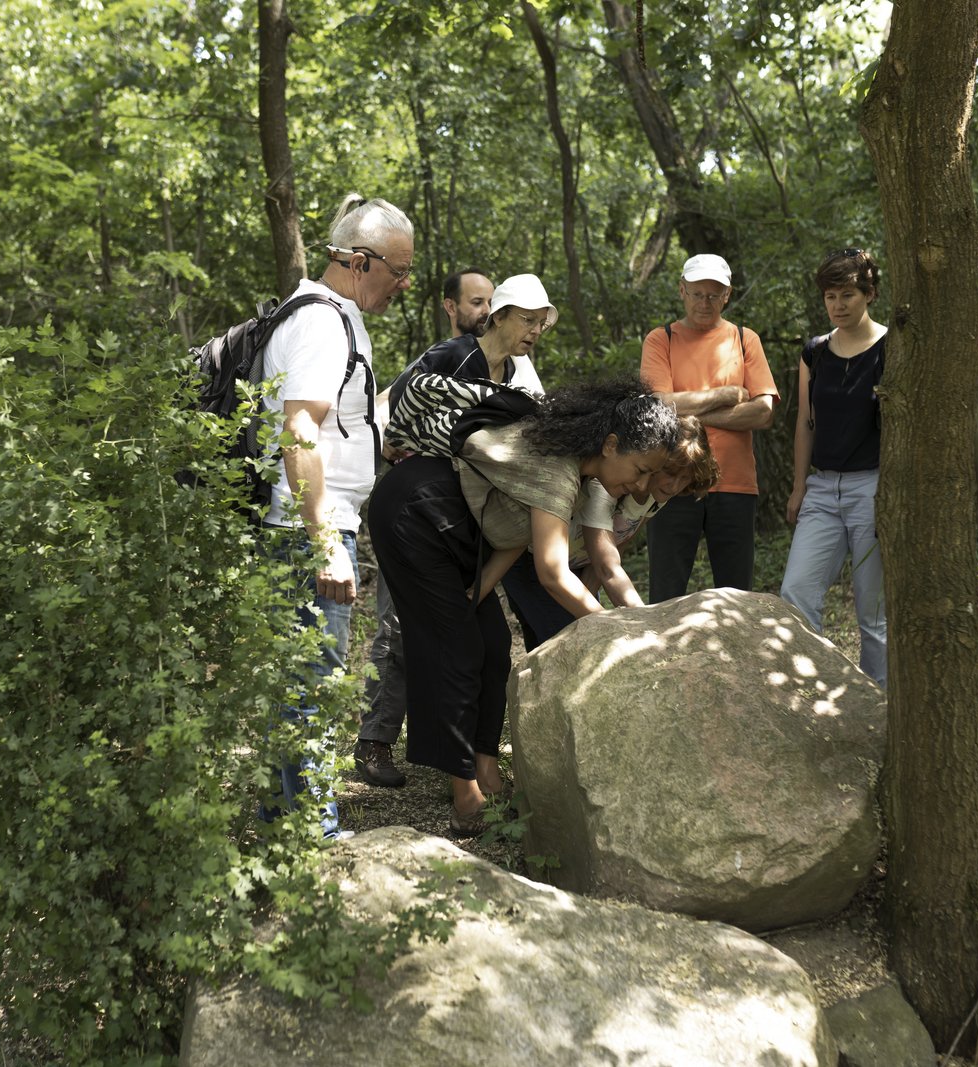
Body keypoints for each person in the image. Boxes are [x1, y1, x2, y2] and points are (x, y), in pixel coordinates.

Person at [369, 377, 679, 836]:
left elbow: (515, 535)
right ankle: (465, 795)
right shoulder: (559, 470)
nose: (642, 483)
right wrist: (618, 628)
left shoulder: (573, 470)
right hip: (415, 514)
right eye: (641, 468)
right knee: (457, 649)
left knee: (493, 642)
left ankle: (487, 772)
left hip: (454, 532)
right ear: (611, 444)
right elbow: (554, 574)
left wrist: (477, 594)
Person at [354, 272, 548, 788]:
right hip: (416, 511)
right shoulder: (450, 355)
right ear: (499, 316)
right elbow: (402, 405)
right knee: (402, 631)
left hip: (467, 518)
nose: (534, 331)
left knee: (477, 641)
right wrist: (393, 442)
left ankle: (468, 764)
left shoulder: (519, 374)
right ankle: (377, 742)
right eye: (526, 320)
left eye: (541, 323)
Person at [261, 192, 413, 836]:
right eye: (397, 271)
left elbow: (330, 423)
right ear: (357, 259)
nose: (404, 285)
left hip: (304, 526)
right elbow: (299, 428)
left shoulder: (329, 317)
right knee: (314, 688)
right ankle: (315, 838)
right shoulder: (325, 321)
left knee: (295, 684)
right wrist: (326, 540)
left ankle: (284, 825)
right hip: (310, 532)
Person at [502, 421, 721, 648]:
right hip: (531, 560)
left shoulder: (658, 494)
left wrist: (591, 607)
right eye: (670, 472)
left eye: (685, 477)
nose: (675, 485)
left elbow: (617, 544)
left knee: (572, 636)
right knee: (560, 639)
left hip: (576, 565)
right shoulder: (607, 486)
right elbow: (607, 567)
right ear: (656, 460)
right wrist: (646, 624)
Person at [641, 253, 779, 601]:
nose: (705, 302)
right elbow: (658, 405)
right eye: (697, 293)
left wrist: (688, 410)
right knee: (665, 594)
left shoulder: (746, 339)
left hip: (734, 483)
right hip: (672, 481)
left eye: (713, 295)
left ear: (727, 295)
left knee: (736, 598)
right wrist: (726, 395)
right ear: (682, 290)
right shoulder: (662, 339)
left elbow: (763, 413)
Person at [780, 248, 888, 686]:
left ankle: (877, 707)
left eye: (848, 294)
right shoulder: (815, 353)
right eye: (830, 296)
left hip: (873, 488)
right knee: (795, 594)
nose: (838, 305)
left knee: (873, 614)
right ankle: (812, 691)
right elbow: (806, 424)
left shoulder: (891, 348)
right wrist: (798, 487)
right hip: (822, 490)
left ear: (870, 294)